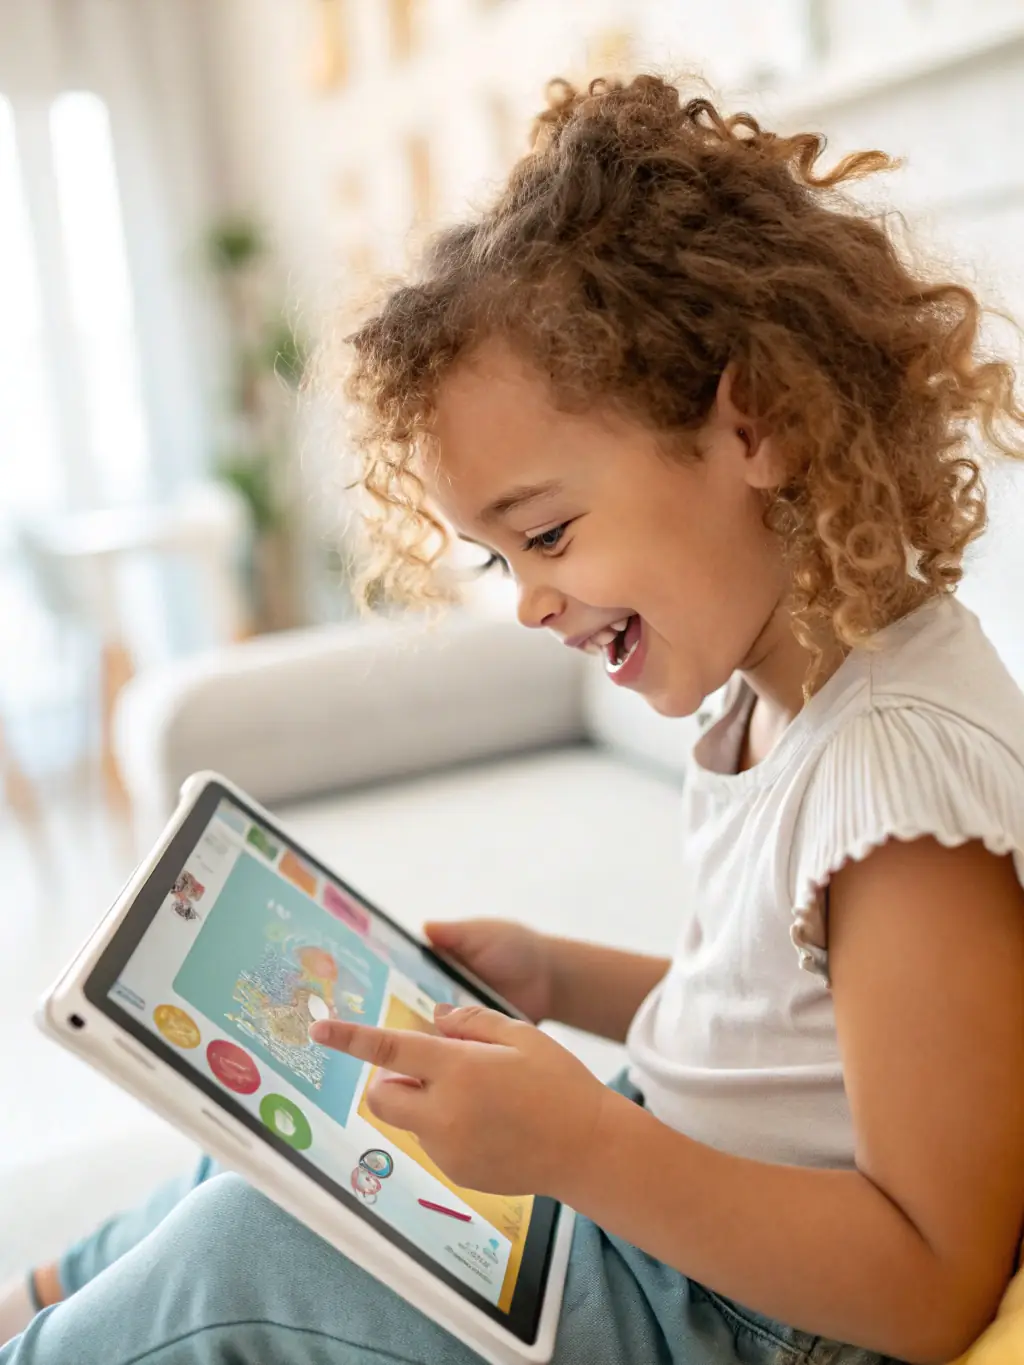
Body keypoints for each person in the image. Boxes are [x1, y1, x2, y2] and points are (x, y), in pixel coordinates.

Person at [3, 73, 1024, 1365]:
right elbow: (798, 1045)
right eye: (501, 562)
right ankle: (41, 1303)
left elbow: (932, 1283)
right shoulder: (783, 703)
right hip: (685, 1215)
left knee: (242, 1263)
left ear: (755, 422)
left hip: (739, 1317)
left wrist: (590, 1146)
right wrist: (561, 976)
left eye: (546, 533)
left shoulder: (901, 782)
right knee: (298, 1153)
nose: (533, 602)